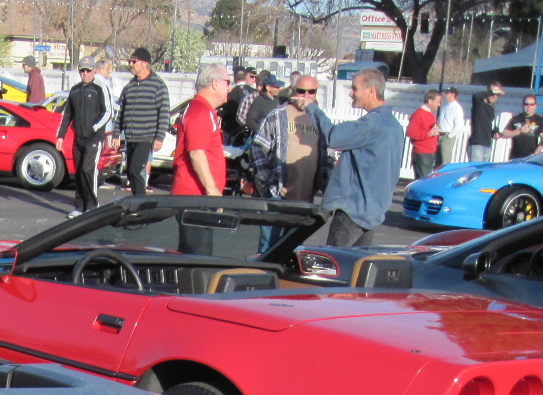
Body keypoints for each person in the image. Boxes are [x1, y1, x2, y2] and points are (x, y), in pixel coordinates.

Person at [317, 67, 405, 248]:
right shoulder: (394, 126)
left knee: (333, 266)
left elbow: (332, 136)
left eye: (355, 88)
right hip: (372, 212)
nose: (351, 93)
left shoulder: (372, 124)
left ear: (371, 91)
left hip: (353, 212)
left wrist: (311, 107)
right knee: (355, 268)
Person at [247, 73, 329, 252]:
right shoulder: (278, 115)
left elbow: (325, 154)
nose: (306, 96)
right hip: (278, 195)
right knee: (267, 248)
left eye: (311, 91)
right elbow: (258, 147)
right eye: (301, 91)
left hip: (305, 199)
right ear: (292, 91)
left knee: (293, 251)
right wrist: (266, 178)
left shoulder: (319, 119)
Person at [172, 62, 231, 252]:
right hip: (195, 199)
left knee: (200, 254)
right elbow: (196, 153)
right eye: (227, 82)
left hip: (199, 199)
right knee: (197, 257)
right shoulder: (199, 110)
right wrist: (213, 191)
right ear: (214, 83)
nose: (229, 88)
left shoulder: (205, 110)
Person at [56, 57, 112, 216]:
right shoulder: (74, 90)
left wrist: (93, 128)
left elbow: (108, 112)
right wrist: (61, 135)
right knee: (79, 171)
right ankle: (80, 206)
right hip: (78, 138)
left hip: (94, 138)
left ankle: (92, 206)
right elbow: (68, 114)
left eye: (88, 70)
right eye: (82, 70)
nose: (85, 73)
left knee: (89, 170)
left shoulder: (100, 88)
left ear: (94, 70)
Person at [117, 47, 169, 197]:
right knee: (130, 172)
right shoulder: (130, 86)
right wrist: (116, 133)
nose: (130, 64)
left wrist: (159, 137)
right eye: (130, 61)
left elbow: (164, 112)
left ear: (145, 63)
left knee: (135, 169)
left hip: (146, 137)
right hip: (131, 136)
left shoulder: (158, 85)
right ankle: (137, 200)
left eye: (134, 61)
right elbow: (121, 112)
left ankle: (141, 202)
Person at [496, 94, 543, 159]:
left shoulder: (539, 120)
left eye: (531, 104)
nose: (528, 106)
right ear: (522, 105)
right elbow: (505, 133)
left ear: (535, 106)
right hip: (515, 156)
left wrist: (535, 154)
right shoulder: (515, 118)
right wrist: (519, 131)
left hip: (531, 157)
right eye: (526, 104)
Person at [406, 90, 440, 178]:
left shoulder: (430, 115)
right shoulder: (419, 114)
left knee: (427, 180)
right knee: (424, 181)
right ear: (430, 101)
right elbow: (411, 132)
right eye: (438, 101)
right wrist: (428, 133)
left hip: (429, 153)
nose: (439, 104)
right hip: (422, 154)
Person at [469, 81, 501, 161]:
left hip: (487, 144)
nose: (495, 96)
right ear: (487, 91)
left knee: (484, 170)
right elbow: (476, 96)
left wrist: (495, 133)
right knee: (476, 170)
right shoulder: (479, 103)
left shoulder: (491, 107)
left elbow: (488, 126)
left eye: (497, 95)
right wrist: (491, 92)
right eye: (493, 93)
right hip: (477, 144)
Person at [437, 86, 463, 165]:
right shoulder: (445, 107)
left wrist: (449, 136)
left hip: (447, 135)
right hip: (440, 134)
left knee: (445, 160)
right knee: (437, 160)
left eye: (447, 93)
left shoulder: (457, 108)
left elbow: (459, 125)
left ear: (452, 94)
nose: (445, 95)